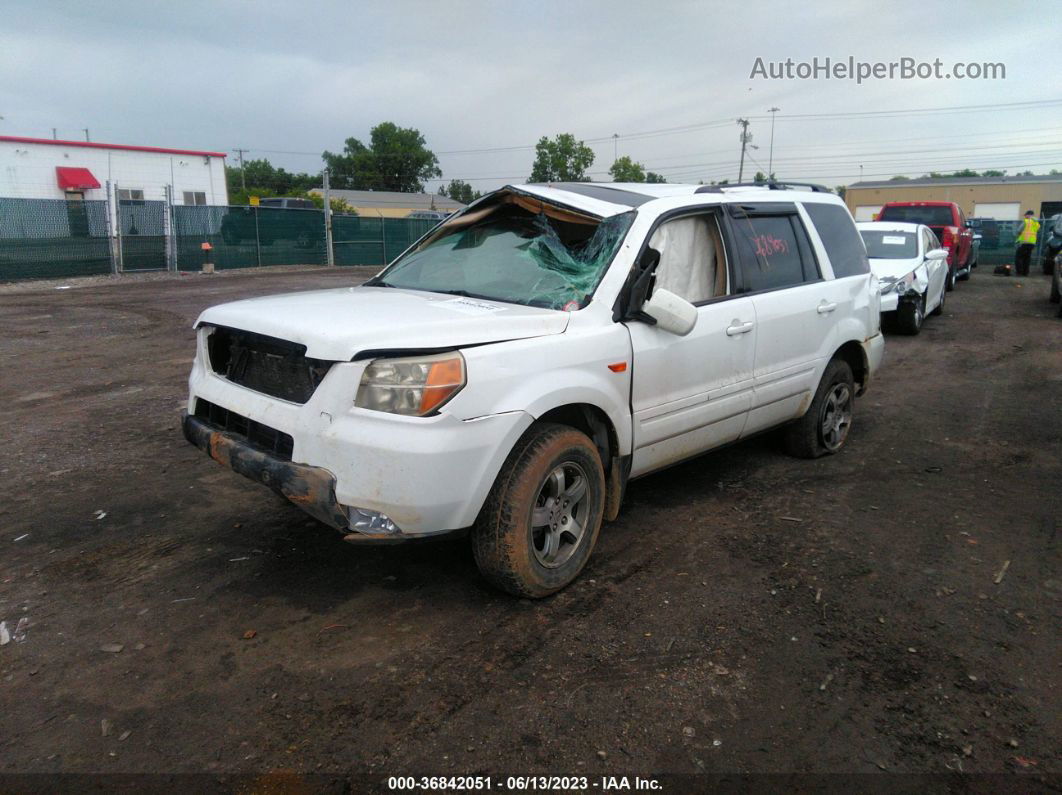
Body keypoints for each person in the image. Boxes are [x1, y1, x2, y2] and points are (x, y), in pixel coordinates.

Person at [1014, 210, 1040, 276]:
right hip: (1032, 243)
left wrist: (1019, 236)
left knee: (1018, 257)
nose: (1025, 216)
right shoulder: (1037, 223)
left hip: (1024, 242)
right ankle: (1026, 272)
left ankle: (1019, 272)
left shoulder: (1026, 221)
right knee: (1027, 258)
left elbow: (1019, 230)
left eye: (1025, 215)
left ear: (1029, 215)